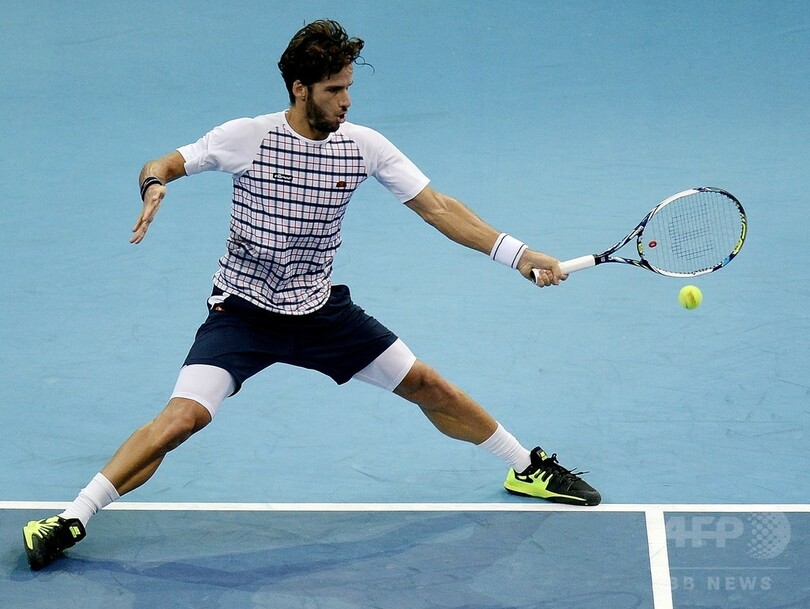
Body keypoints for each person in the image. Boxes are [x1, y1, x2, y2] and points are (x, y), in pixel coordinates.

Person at [23, 19, 600, 571]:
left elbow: (439, 208)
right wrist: (153, 185)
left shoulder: (364, 146)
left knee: (428, 385)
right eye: (334, 90)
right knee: (181, 420)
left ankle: (524, 466)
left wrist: (518, 254)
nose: (347, 101)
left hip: (320, 312)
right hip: (242, 313)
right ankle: (71, 519)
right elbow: (165, 163)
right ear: (300, 89)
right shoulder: (248, 136)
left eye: (349, 87)